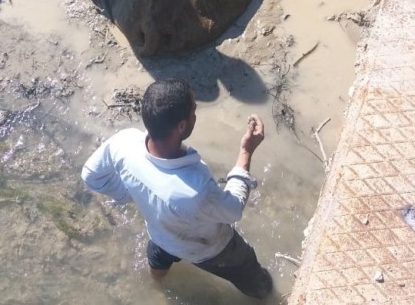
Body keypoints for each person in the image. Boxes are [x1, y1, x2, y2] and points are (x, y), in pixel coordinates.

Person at [81, 78, 273, 299]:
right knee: (259, 284)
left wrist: (130, 194)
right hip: (211, 250)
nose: (196, 113)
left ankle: (158, 290)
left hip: (161, 238)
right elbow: (233, 210)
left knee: (158, 261)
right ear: (181, 126)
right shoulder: (196, 188)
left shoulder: (123, 143)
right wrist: (246, 151)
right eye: (193, 110)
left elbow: (90, 176)